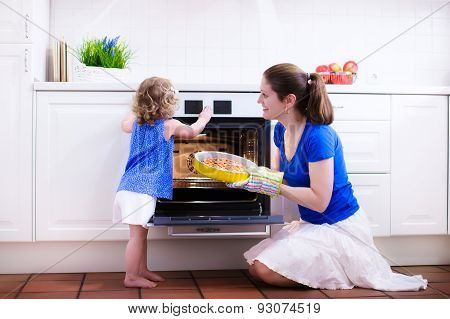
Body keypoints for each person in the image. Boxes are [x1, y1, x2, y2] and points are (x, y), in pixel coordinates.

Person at [229, 63, 427, 291]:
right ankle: (317, 267)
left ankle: (338, 270)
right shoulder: (281, 130)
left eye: (265, 95)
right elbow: (278, 178)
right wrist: (249, 176)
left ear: (289, 100)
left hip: (337, 227)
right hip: (311, 224)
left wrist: (272, 184)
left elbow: (319, 200)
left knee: (264, 270)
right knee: (255, 267)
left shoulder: (319, 136)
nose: (259, 101)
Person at [113, 77, 212, 288]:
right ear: (168, 103)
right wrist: (204, 118)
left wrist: (137, 110)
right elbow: (193, 132)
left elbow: (124, 124)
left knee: (141, 234)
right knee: (136, 237)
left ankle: (142, 270)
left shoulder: (135, 123)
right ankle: (131, 276)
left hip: (130, 187)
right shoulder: (169, 125)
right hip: (141, 189)